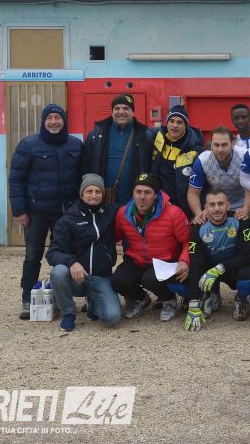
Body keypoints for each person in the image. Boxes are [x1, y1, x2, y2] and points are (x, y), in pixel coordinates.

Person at [9, 103, 83, 319]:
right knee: (33, 256)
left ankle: (60, 299)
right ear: (43, 122)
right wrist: (20, 210)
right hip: (36, 213)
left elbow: (83, 177)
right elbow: (16, 179)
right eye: (49, 118)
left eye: (57, 118)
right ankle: (27, 299)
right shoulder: (28, 145)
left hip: (66, 213)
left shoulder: (76, 145)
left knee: (64, 256)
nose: (53, 122)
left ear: (64, 121)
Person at [46, 174, 122, 331]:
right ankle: (68, 313)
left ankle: (93, 303)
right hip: (77, 278)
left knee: (112, 317)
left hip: (101, 276)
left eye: (98, 191)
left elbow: (135, 206)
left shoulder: (110, 212)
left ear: (103, 194)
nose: (94, 195)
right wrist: (72, 262)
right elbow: (53, 252)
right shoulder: (68, 218)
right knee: (58, 272)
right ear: (82, 193)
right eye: (89, 191)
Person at [111, 173, 191, 322]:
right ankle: (140, 298)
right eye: (138, 192)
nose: (142, 197)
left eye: (147, 192)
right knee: (117, 280)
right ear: (133, 193)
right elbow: (113, 237)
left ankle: (169, 299)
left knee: (150, 279)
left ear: (156, 195)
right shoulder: (123, 213)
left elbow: (189, 241)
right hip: (137, 259)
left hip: (165, 260)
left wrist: (184, 260)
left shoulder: (174, 213)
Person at [188, 189, 250, 327]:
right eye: (212, 205)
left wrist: (219, 268)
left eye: (220, 204)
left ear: (228, 205)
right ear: (206, 207)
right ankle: (209, 295)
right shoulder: (198, 227)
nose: (217, 208)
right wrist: (193, 305)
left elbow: (247, 255)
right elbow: (195, 263)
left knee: (249, 273)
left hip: (232, 268)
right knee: (188, 277)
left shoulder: (239, 221)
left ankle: (240, 300)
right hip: (209, 272)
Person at [82, 94, 150, 205]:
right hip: (102, 199)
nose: (121, 112)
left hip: (134, 200)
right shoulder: (97, 134)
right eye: (117, 108)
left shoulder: (145, 135)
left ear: (133, 112)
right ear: (112, 112)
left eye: (126, 108)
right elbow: (85, 164)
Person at [148, 105, 204, 217]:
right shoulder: (156, 137)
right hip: (158, 202)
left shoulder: (195, 148)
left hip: (182, 206)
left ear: (186, 125)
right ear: (167, 123)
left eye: (179, 122)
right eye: (172, 121)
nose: (174, 125)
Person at [187, 126, 249, 225]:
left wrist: (246, 209)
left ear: (233, 144)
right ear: (211, 144)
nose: (220, 149)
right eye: (216, 145)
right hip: (215, 206)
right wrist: (199, 214)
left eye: (224, 145)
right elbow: (193, 194)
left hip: (242, 203)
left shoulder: (244, 156)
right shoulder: (202, 161)